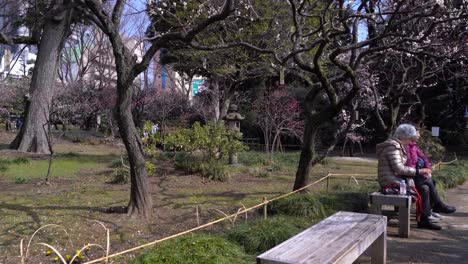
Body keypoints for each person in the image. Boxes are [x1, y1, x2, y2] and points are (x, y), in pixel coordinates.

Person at [376, 124, 453, 230]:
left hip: (398, 179)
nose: (410, 141)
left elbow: (417, 160)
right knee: (425, 180)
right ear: (404, 137)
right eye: (410, 138)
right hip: (391, 183)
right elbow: (399, 168)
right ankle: (436, 206)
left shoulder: (398, 145)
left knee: (425, 188)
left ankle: (424, 220)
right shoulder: (393, 147)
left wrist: (422, 171)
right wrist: (419, 171)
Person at [405, 128, 456, 222]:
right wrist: (423, 172)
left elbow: (424, 158)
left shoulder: (413, 146)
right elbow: (409, 166)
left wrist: (428, 170)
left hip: (416, 176)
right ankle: (437, 206)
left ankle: (430, 210)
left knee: (429, 183)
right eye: (418, 132)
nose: (419, 135)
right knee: (426, 186)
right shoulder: (407, 147)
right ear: (410, 133)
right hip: (409, 178)